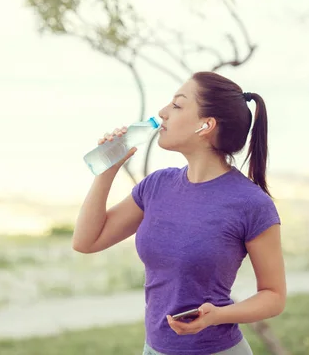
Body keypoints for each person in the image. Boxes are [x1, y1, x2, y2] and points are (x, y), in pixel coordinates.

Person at [72, 71, 286, 355]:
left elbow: (274, 296)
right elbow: (86, 241)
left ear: (205, 125)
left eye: (177, 105)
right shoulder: (157, 185)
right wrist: (108, 169)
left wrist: (219, 315)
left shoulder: (251, 204)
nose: (162, 113)